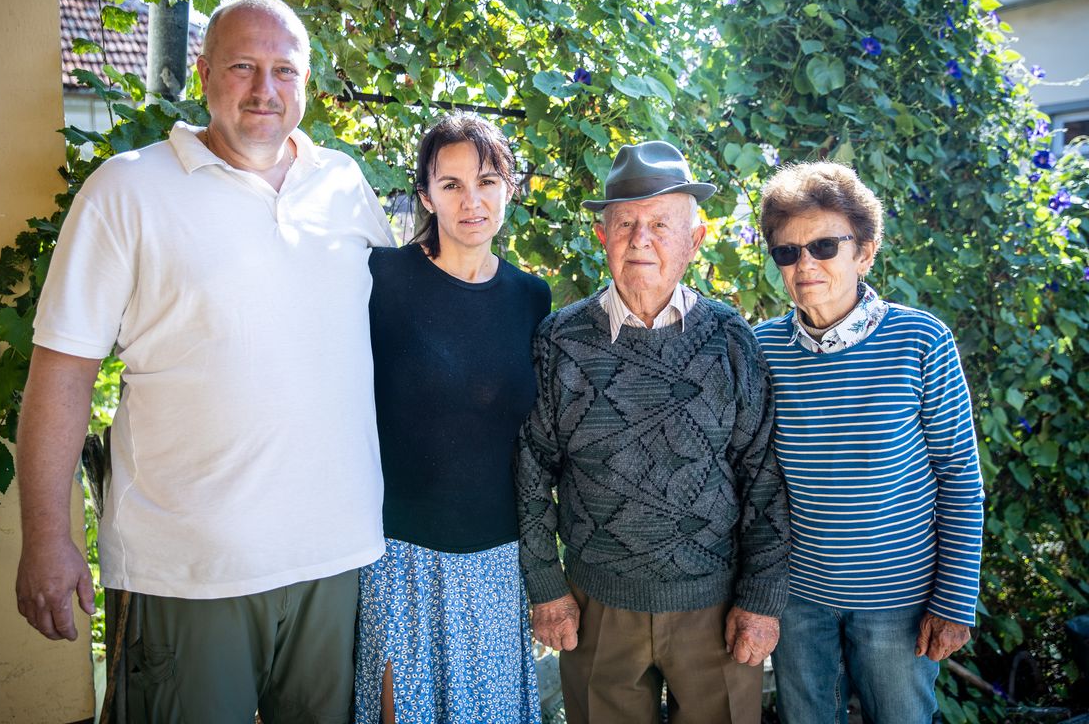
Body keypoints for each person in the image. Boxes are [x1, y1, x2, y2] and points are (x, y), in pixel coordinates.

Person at [14, 0, 394, 723]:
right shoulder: (126, 190)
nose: (265, 90)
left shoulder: (342, 185)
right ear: (204, 74)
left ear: (307, 82)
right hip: (184, 571)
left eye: (285, 70)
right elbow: (62, 376)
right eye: (244, 67)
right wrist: (46, 537)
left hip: (336, 561)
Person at [515, 140, 791, 724]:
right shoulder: (559, 341)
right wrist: (545, 584)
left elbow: (764, 476)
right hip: (596, 610)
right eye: (625, 224)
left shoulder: (731, 341)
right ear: (602, 237)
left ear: (694, 241)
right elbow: (533, 468)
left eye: (661, 224)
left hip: (714, 608)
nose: (641, 239)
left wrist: (761, 597)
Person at [753, 162, 984, 724]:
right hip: (798, 595)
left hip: (900, 600)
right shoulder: (759, 348)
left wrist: (953, 601)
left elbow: (959, 474)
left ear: (866, 252)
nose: (805, 263)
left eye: (825, 245)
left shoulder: (921, 339)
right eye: (788, 251)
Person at [354, 113, 550, 723]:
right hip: (396, 555)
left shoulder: (531, 299)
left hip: (495, 557)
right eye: (452, 185)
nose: (472, 201)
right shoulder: (380, 281)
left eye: (488, 181)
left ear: (509, 188)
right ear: (426, 195)